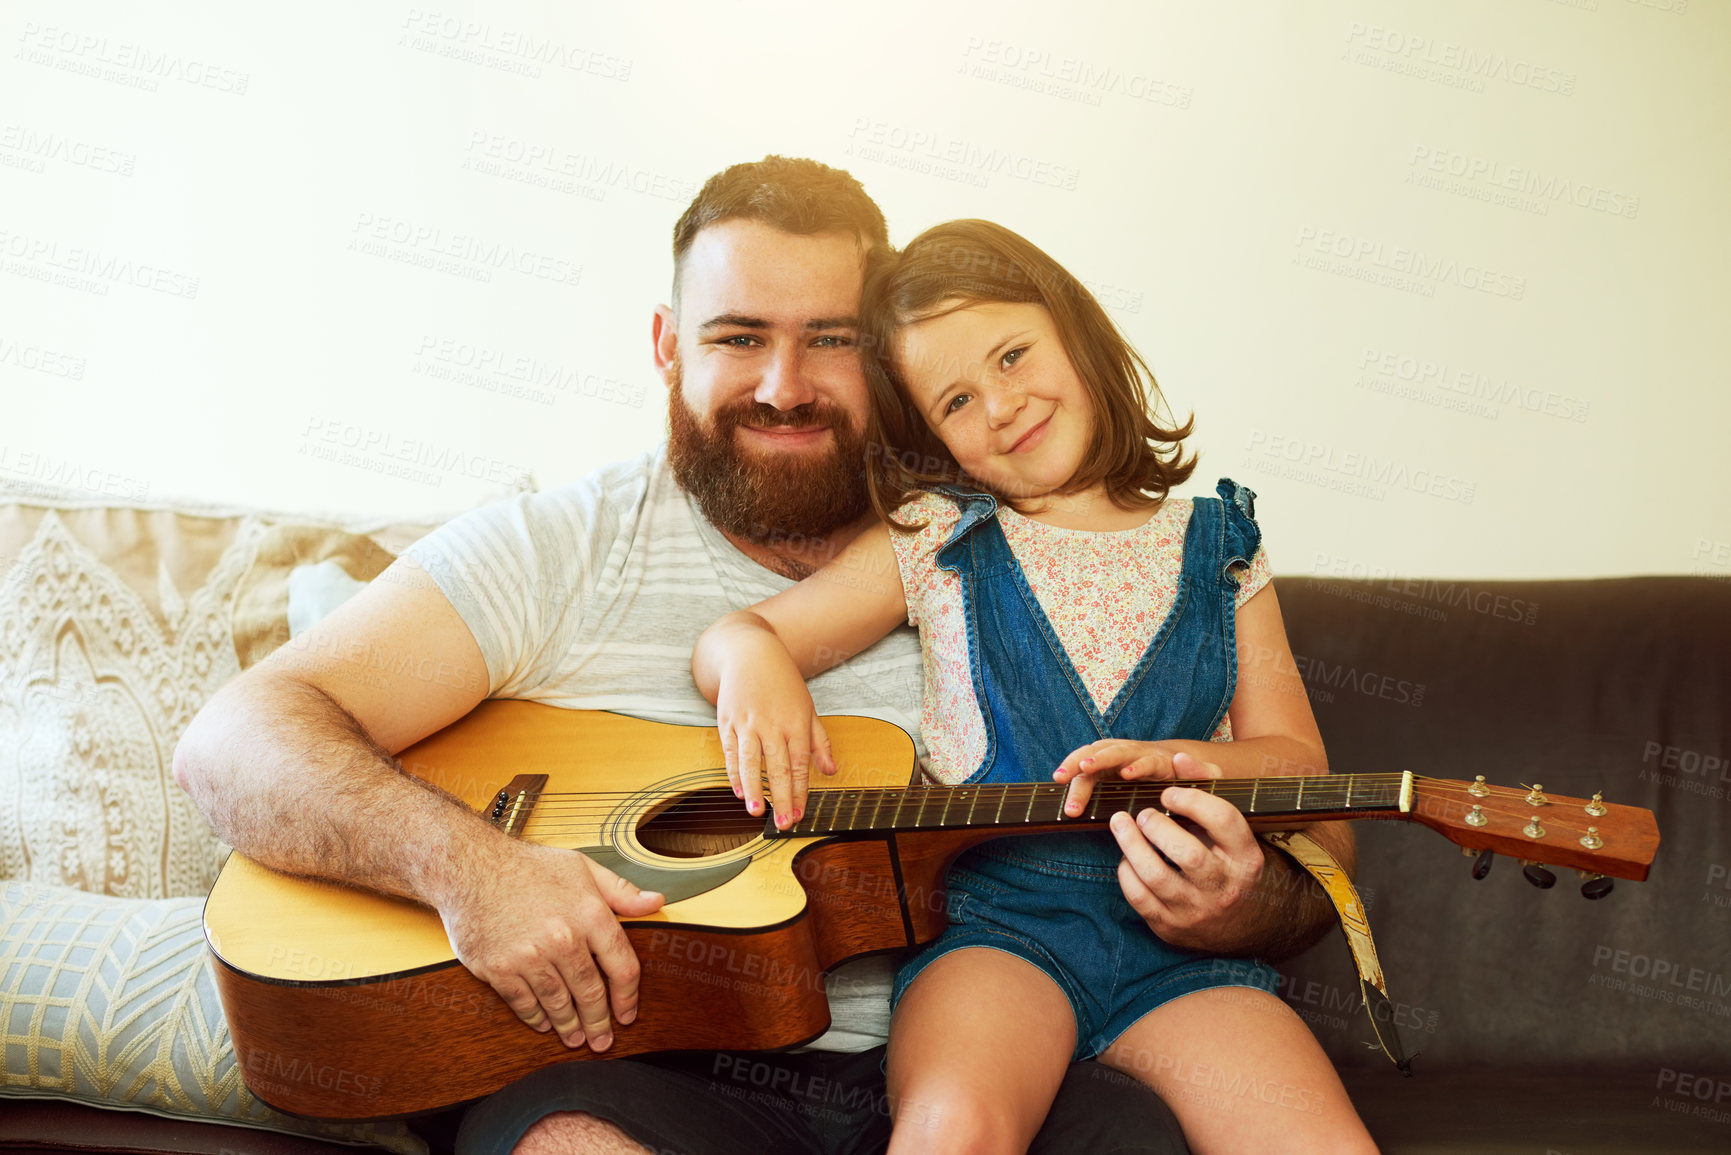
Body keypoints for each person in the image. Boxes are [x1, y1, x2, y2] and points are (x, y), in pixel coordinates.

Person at [174, 158, 1356, 1155]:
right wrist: (471, 872)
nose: (785, 386)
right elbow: (236, 740)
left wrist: (1246, 903)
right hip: (647, 1065)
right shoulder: (566, 544)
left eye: (829, 341)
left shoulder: (985, 522)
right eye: (738, 337)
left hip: (1009, 1035)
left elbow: (1310, 814)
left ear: (887, 368)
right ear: (664, 345)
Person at [691, 219, 1378, 1154]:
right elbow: (745, 632)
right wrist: (753, 664)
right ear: (936, 440)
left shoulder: (1221, 549)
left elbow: (1297, 760)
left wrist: (1185, 762)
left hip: (1182, 953)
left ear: (1072, 327)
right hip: (997, 933)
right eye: (959, 400)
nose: (1003, 405)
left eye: (1013, 355)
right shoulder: (936, 537)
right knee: (953, 1127)